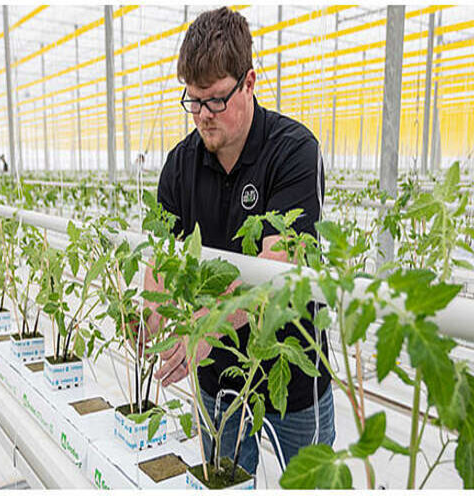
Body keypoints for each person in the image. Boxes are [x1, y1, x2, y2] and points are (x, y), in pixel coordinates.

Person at [143, 7, 334, 475]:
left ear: (249, 83)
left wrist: (206, 328)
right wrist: (151, 317)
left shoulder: (294, 152)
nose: (203, 116)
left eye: (215, 100)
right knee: (226, 479)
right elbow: (162, 259)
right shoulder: (180, 165)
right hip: (218, 378)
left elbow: (278, 267)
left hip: (294, 376)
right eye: (193, 101)